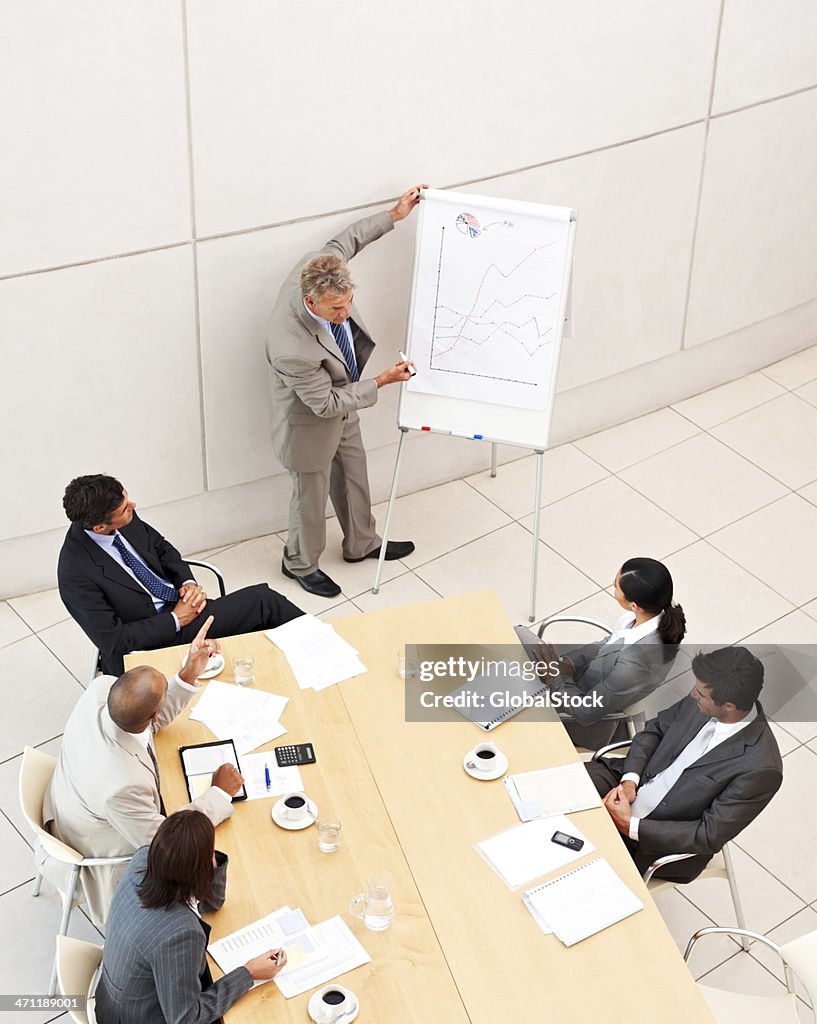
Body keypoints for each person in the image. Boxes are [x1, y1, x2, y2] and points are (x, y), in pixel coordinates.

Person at [265, 185, 426, 598]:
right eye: (335, 310)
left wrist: (395, 214)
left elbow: (347, 240)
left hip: (343, 397)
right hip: (310, 420)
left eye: (348, 304)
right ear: (309, 302)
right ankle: (299, 562)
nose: (344, 315)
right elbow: (324, 403)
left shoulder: (319, 266)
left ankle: (361, 543)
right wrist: (382, 381)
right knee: (310, 498)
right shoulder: (292, 348)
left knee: (354, 475)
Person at [43, 617, 244, 927]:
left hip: (73, 798)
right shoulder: (122, 786)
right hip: (104, 848)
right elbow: (166, 841)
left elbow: (144, 721)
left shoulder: (102, 690)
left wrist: (189, 672)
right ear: (152, 713)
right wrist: (219, 793)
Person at [58, 474, 304, 675]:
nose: (133, 507)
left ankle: (321, 651)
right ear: (100, 527)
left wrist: (187, 583)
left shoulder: (121, 515)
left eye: (127, 499)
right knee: (263, 602)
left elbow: (161, 548)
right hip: (147, 644)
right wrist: (176, 619)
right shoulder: (75, 573)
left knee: (264, 605)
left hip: (182, 607)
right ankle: (322, 651)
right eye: (125, 508)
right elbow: (113, 641)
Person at [586, 646, 783, 882]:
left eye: (700, 693)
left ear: (729, 705)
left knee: (581, 868)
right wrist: (630, 781)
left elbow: (708, 834)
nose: (692, 694)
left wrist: (630, 825)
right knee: (550, 790)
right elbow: (656, 729)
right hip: (627, 781)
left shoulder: (762, 768)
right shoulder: (705, 699)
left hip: (653, 842)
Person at [94, 809, 286, 1024]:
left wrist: (207, 861)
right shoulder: (180, 934)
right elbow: (186, 1019)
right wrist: (249, 973)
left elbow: (211, 903)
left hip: (116, 1002)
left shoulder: (143, 860)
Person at [518, 557, 686, 748]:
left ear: (634, 605)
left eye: (616, 586)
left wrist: (554, 678)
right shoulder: (649, 613)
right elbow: (606, 644)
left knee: (504, 701)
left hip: (577, 715)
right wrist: (567, 663)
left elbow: (585, 712)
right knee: (517, 633)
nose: (612, 586)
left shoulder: (634, 664)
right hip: (577, 679)